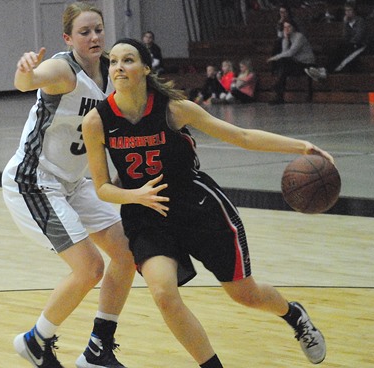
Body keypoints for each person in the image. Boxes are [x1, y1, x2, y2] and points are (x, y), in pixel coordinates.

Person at [82, 37, 330, 367]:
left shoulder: (173, 108)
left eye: (127, 60)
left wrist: (301, 147)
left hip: (197, 207)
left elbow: (240, 136)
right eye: (113, 62)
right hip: (147, 217)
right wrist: (134, 195)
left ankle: (293, 314)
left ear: (144, 68)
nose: (118, 67)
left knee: (245, 294)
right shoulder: (97, 121)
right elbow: (101, 187)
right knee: (163, 294)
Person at [1, 3, 135, 368]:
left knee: (126, 251)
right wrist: (25, 70)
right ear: (68, 38)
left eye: (98, 30)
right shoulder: (63, 68)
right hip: (34, 180)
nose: (94, 38)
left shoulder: (112, 71)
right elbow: (26, 83)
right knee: (90, 267)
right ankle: (35, 340)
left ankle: (98, 347)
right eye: (84, 32)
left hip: (74, 182)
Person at [305, 1, 368, 80]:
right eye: (346, 11)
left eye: (349, 10)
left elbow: (359, 37)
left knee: (345, 55)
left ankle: (327, 71)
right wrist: (345, 24)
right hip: (350, 44)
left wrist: (349, 42)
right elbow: (345, 37)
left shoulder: (360, 21)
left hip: (360, 46)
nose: (347, 13)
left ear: (354, 11)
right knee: (336, 48)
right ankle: (324, 69)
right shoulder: (347, 22)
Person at [267, 20, 316, 104]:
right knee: (283, 66)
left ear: (293, 28)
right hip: (295, 63)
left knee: (282, 63)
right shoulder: (286, 38)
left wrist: (274, 58)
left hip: (306, 64)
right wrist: (285, 39)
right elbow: (284, 52)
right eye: (285, 27)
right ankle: (279, 94)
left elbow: (290, 53)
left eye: (289, 27)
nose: (286, 29)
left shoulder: (299, 37)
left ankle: (278, 90)